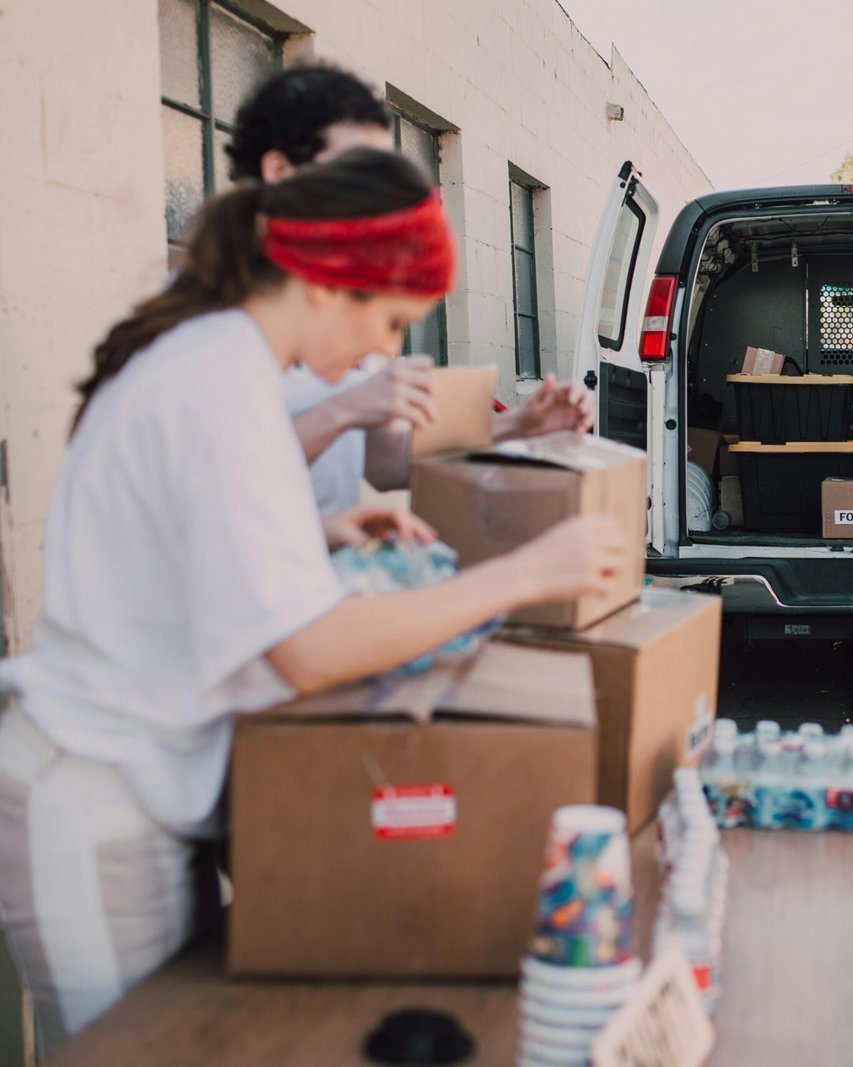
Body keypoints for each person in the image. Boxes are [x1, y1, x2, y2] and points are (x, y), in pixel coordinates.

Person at [0, 149, 627, 1053]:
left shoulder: (223, 359)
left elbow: (185, 540)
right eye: (390, 319)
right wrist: (527, 572)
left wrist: (318, 533)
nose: (386, 350)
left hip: (146, 784)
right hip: (95, 790)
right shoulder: (220, 379)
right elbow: (309, 648)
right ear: (331, 285)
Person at [227, 64, 590, 514]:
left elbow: (385, 463)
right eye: (361, 171)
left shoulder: (358, 309)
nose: (384, 198)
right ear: (279, 170)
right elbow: (214, 490)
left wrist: (521, 424)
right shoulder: (213, 334)